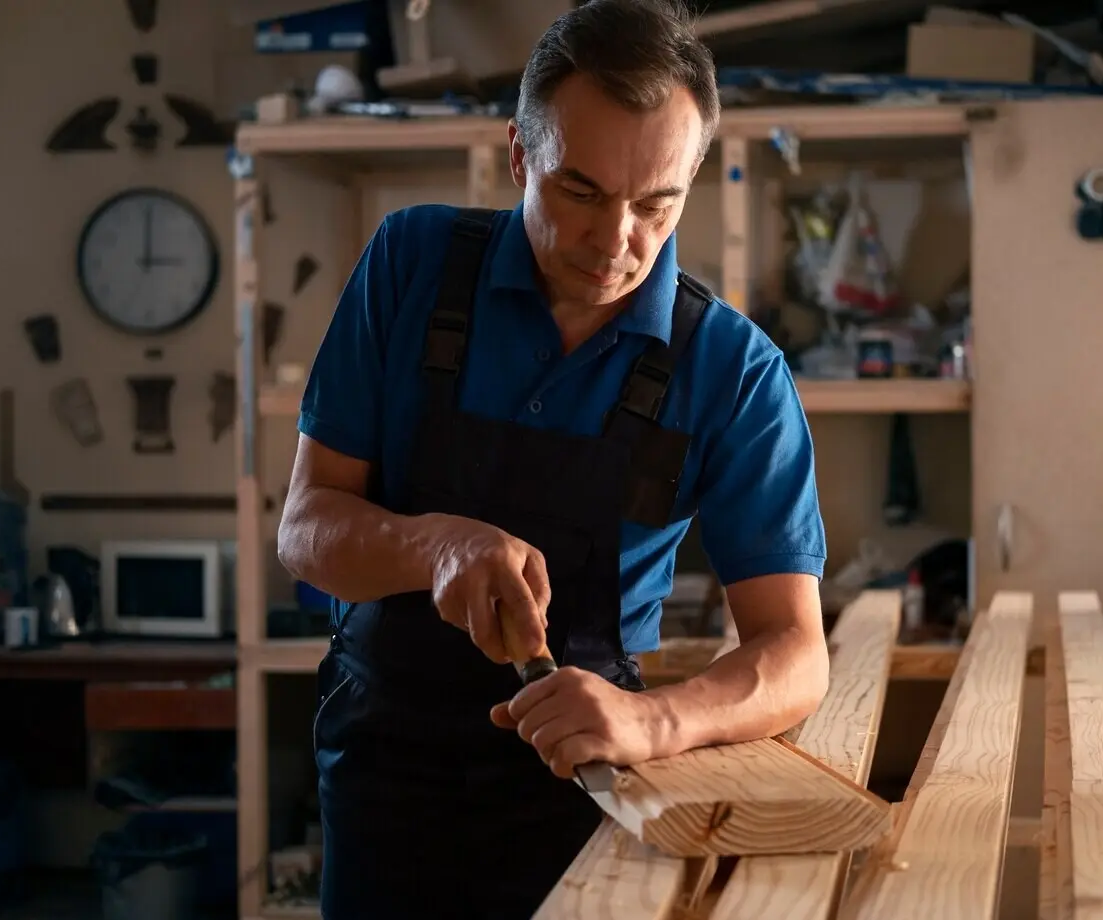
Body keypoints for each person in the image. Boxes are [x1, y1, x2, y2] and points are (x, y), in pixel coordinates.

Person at [277, 1, 830, 916]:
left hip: (588, 786)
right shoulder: (409, 264)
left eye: (657, 204)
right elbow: (304, 530)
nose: (618, 243)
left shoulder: (733, 371)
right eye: (581, 192)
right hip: (384, 772)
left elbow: (796, 651)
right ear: (518, 156)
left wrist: (654, 720)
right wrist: (435, 548)